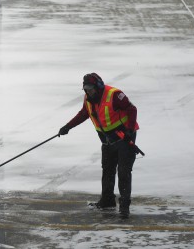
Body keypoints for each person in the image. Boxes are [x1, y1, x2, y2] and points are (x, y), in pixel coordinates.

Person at [58, 73, 139, 218]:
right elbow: (84, 113)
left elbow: (132, 109)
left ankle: (124, 206)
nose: (88, 92)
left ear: (99, 86)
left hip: (124, 139)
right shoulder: (88, 99)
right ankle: (107, 201)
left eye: (90, 89)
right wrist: (67, 127)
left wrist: (129, 130)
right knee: (107, 170)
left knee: (123, 171)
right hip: (107, 141)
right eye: (85, 89)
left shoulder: (115, 95)